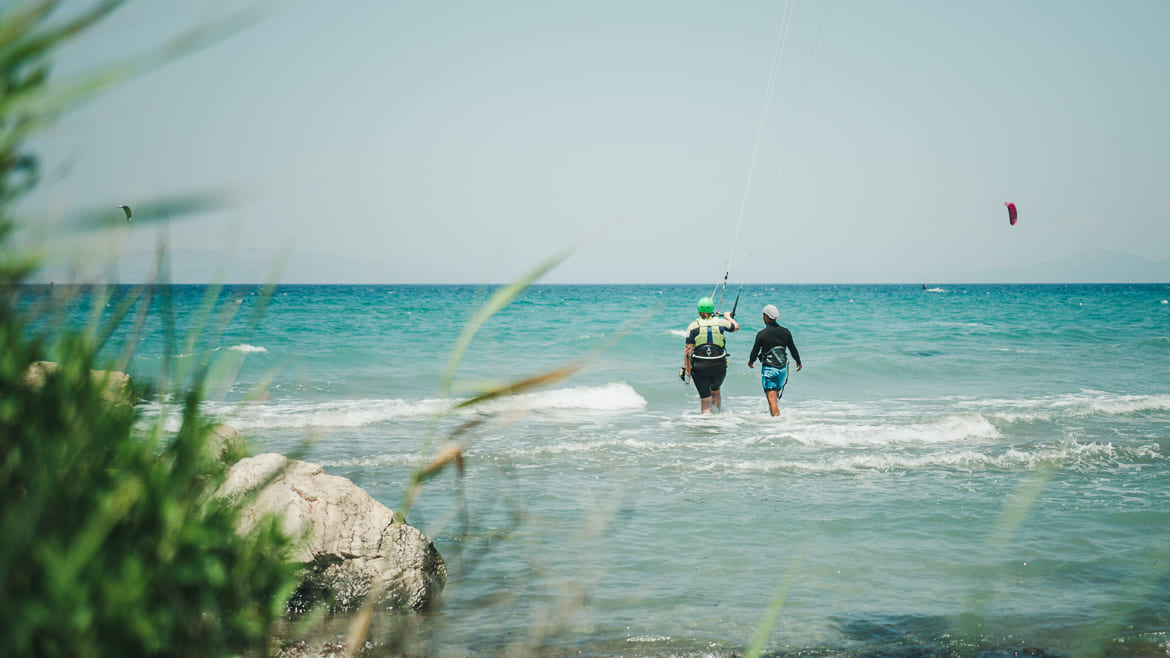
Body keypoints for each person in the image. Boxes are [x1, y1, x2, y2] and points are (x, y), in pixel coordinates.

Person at [683, 296, 739, 414]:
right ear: (712, 309)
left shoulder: (693, 326)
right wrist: (728, 317)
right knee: (715, 391)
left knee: (705, 399)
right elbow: (735, 327)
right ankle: (718, 416)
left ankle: (707, 422)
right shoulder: (721, 322)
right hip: (719, 366)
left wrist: (687, 371)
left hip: (700, 367)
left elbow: (688, 351)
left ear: (699, 310)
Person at [747, 304, 802, 416]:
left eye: (764, 315)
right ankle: (776, 421)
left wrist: (751, 362)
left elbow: (755, 350)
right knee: (774, 398)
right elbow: (792, 348)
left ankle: (776, 423)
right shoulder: (785, 332)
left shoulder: (762, 334)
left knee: (772, 402)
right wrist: (798, 361)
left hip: (769, 370)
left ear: (767, 316)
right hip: (782, 370)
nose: (763, 317)